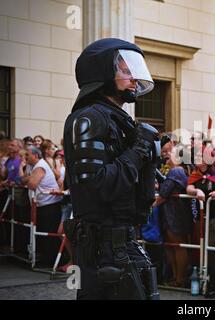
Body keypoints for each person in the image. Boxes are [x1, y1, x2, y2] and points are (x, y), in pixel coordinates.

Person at [63, 38, 160, 300]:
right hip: (101, 246)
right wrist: (139, 149)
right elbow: (96, 185)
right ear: (102, 73)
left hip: (122, 239)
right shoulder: (89, 118)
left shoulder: (117, 118)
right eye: (126, 71)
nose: (135, 80)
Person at [154, 143, 190, 288]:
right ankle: (175, 277)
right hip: (169, 214)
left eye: (171, 152)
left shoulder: (177, 172)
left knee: (177, 245)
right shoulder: (173, 171)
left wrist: (154, 203)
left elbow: (164, 193)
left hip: (176, 215)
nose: (167, 154)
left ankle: (180, 278)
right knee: (170, 245)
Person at [20, 146, 63, 266]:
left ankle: (50, 260)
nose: (25, 157)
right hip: (42, 205)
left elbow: (32, 184)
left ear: (35, 155)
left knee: (48, 233)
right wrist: (29, 177)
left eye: (27, 155)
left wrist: (29, 178)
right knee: (42, 233)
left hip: (49, 205)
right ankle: (46, 258)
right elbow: (22, 180)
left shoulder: (40, 166)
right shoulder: (32, 166)